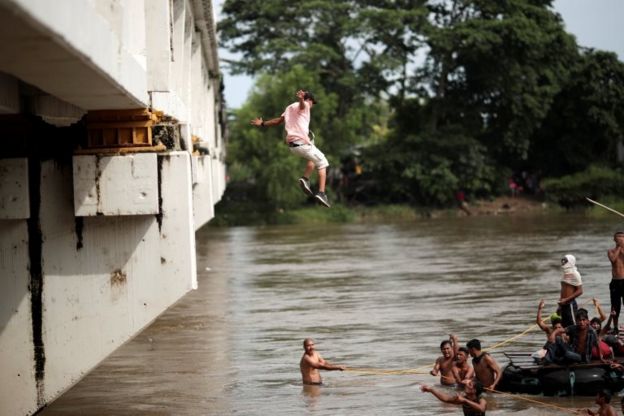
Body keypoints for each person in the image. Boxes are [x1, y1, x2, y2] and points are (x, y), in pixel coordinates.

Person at [250, 90, 331, 208]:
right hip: (302, 144)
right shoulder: (305, 104)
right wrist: (302, 100)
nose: (312, 106)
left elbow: (277, 121)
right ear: (310, 100)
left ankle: (305, 179)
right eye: (313, 103)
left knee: (313, 159)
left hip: (293, 146)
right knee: (323, 163)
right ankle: (321, 193)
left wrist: (262, 123)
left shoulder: (289, 108)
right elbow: (303, 106)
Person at [420, 379, 487, 416]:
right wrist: (431, 390)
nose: (466, 384)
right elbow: (446, 399)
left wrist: (465, 401)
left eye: (469, 384)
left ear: (474, 390)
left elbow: (481, 409)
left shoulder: (481, 400)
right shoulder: (463, 398)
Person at [559, 254, 583, 328]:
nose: (563, 262)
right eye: (563, 261)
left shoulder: (575, 274)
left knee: (573, 325)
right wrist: (560, 304)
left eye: (565, 261)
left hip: (570, 304)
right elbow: (563, 289)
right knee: (565, 326)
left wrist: (567, 299)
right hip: (563, 304)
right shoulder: (565, 274)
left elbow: (580, 291)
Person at [608, 231, 624, 333]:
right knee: (615, 306)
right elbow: (613, 260)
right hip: (615, 282)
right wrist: (619, 247)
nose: (621, 238)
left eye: (622, 236)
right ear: (614, 239)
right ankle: (615, 327)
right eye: (618, 236)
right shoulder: (611, 251)